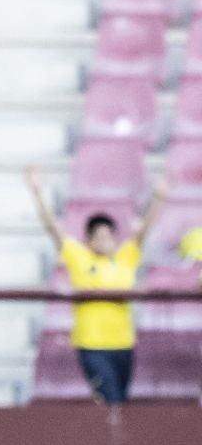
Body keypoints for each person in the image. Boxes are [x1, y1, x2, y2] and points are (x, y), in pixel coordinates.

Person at [26, 167, 165, 404]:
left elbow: (145, 230)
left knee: (121, 401)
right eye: (97, 237)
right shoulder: (80, 259)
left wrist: (160, 197)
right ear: (88, 240)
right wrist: (38, 193)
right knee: (110, 402)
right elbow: (53, 229)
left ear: (115, 238)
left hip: (123, 343)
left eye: (108, 236)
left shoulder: (126, 258)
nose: (104, 241)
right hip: (92, 345)